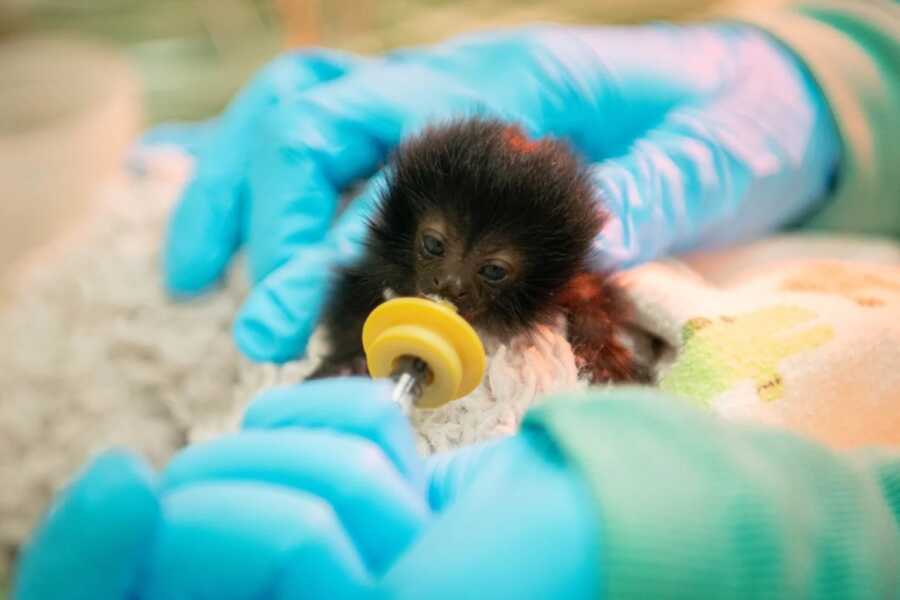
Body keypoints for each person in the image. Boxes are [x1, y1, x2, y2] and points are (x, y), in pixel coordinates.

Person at [14, 0, 899, 597]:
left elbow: (604, 332)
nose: (443, 284)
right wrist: (835, 67)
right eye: (435, 249)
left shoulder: (581, 285)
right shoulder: (380, 254)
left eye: (492, 274)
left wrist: (654, 517)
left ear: (548, 273)